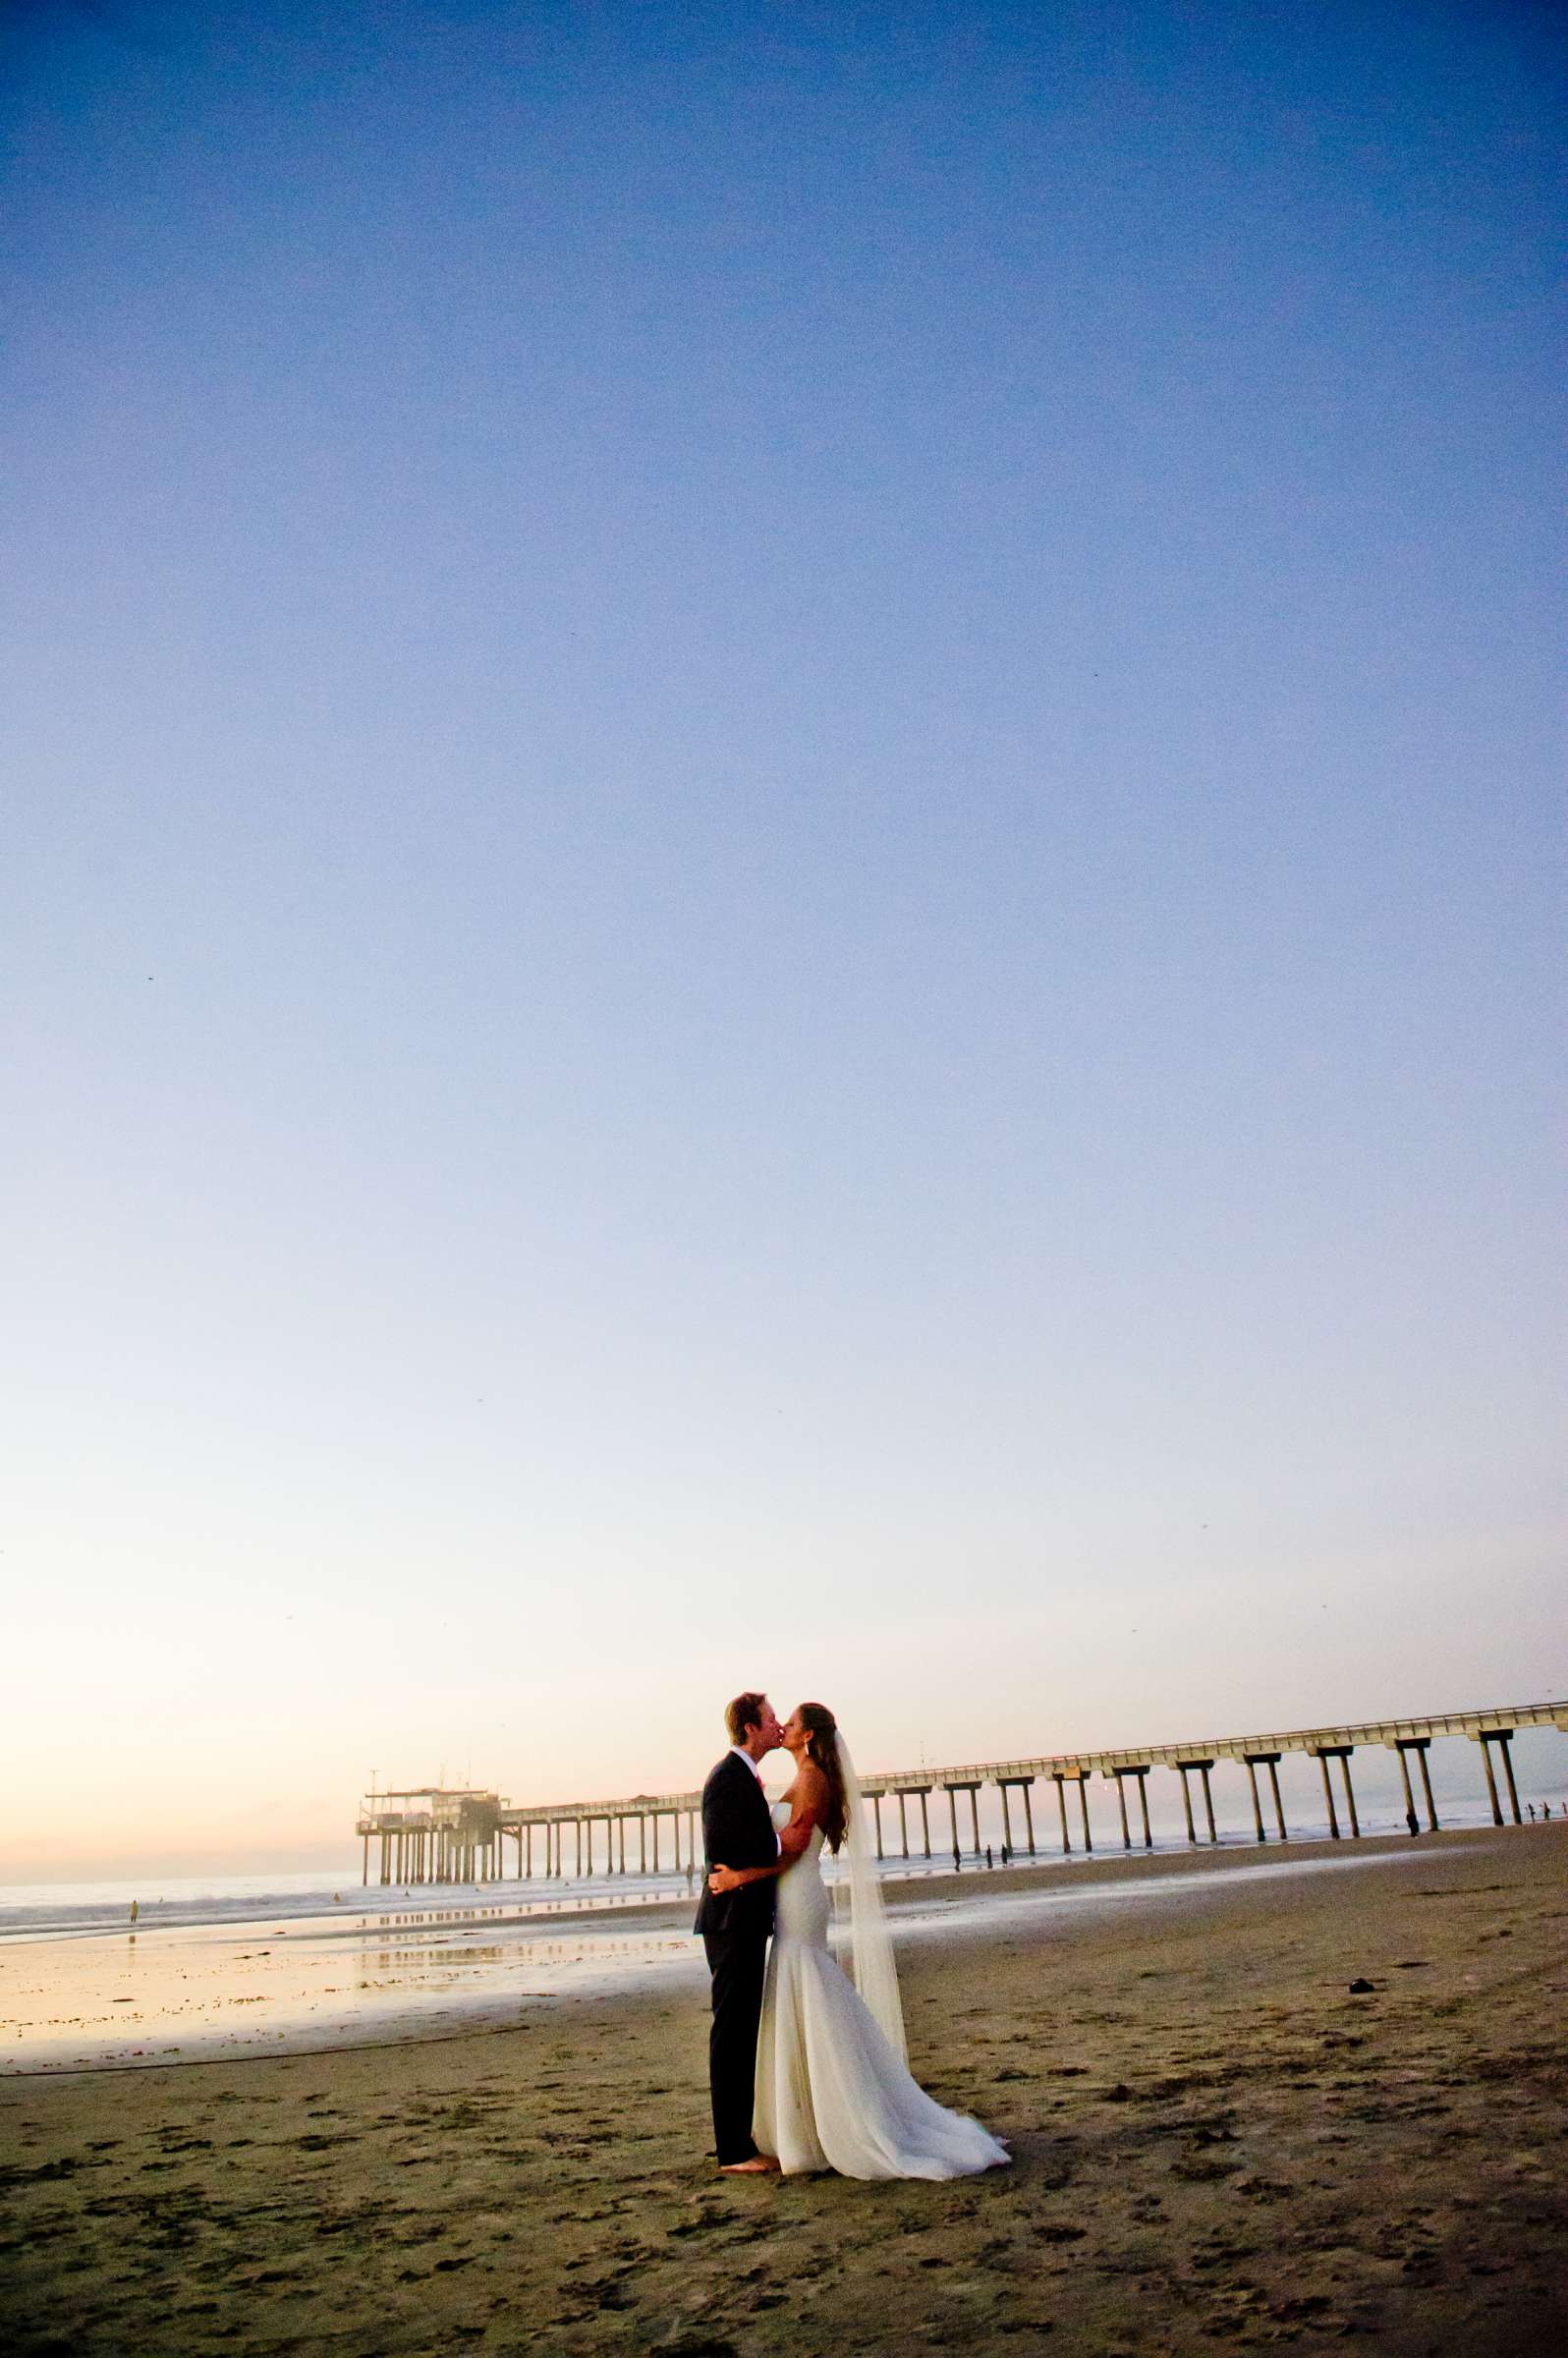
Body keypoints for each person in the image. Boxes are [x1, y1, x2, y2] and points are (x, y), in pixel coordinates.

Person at [707, 1701, 1010, 2181]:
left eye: (791, 1723)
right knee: (800, 1995)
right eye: (774, 1719)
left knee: (808, 1988)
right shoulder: (803, 1775)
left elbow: (798, 1847)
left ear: (807, 1737)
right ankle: (805, 2123)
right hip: (789, 1898)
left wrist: (740, 1876)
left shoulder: (812, 1780)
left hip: (798, 1897)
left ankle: (830, 2124)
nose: (782, 1726)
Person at [693, 1692, 796, 2174]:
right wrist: (781, 1842)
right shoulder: (726, 1777)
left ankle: (739, 2140)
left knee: (740, 2029)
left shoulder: (743, 1776)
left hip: (743, 1920)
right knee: (732, 2031)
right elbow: (726, 1846)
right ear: (750, 1727)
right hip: (732, 1920)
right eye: (772, 1719)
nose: (778, 1725)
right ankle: (734, 2150)